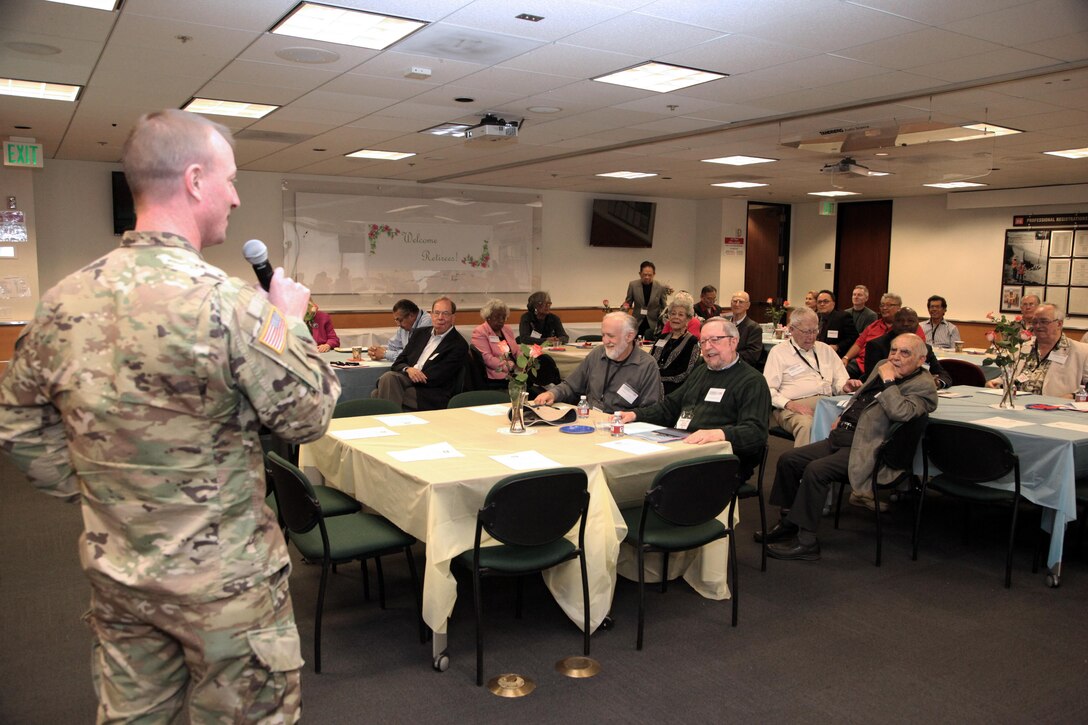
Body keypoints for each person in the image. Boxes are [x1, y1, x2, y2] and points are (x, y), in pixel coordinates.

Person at [0, 109, 340, 722]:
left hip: (122, 575)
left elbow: (18, 423)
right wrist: (286, 321)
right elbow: (309, 415)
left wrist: (106, 494)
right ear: (194, 181)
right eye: (231, 180)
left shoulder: (61, 300)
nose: (236, 197)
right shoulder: (233, 306)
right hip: (228, 589)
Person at [760, 334, 938, 561]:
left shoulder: (924, 386)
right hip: (844, 436)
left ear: (921, 359)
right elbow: (862, 395)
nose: (895, 357)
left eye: (905, 353)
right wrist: (844, 414)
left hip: (869, 448)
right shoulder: (884, 366)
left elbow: (901, 412)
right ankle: (789, 522)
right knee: (789, 460)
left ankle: (807, 542)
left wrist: (889, 382)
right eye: (893, 350)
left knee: (816, 470)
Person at [620, 317, 770, 478]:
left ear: (733, 342)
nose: (707, 347)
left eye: (714, 340)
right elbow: (670, 407)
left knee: (652, 476)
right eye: (703, 342)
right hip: (683, 446)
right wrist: (635, 414)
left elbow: (755, 432)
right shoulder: (701, 371)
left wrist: (718, 434)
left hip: (721, 460)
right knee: (630, 463)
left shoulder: (752, 381)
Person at [764, 308, 858, 446]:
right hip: (791, 406)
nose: (812, 336)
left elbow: (840, 382)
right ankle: (803, 465)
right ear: (792, 329)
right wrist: (790, 404)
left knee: (852, 421)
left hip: (827, 403)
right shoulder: (779, 352)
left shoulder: (825, 350)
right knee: (807, 425)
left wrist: (845, 387)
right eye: (806, 331)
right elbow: (768, 390)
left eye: (815, 331)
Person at [534, 311, 662, 412]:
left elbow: (651, 411)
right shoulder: (597, 353)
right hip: (590, 421)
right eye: (603, 335)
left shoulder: (646, 366)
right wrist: (552, 393)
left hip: (622, 429)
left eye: (611, 336)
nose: (605, 341)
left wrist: (630, 417)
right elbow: (571, 386)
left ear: (629, 336)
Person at [373, 296, 468, 411]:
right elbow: (399, 362)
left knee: (380, 392)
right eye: (436, 313)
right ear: (431, 315)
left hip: (431, 392)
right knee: (389, 379)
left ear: (453, 317)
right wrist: (408, 370)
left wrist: (413, 374)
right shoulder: (420, 333)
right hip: (409, 379)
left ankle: (388, 422)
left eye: (445, 313)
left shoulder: (458, 344)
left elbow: (437, 377)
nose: (440, 318)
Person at [989, 303, 1088, 398]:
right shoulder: (1021, 349)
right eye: (1034, 322)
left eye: (1044, 321)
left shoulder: (1081, 351)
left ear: (1059, 324)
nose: (1038, 326)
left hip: (1055, 408)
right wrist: (994, 383)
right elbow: (1006, 377)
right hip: (1018, 405)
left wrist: (1073, 396)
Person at [866, 308, 953, 390]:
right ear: (893, 323)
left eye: (910, 321)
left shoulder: (925, 348)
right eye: (900, 321)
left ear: (917, 325)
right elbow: (874, 380)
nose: (905, 324)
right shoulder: (876, 345)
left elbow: (944, 375)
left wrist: (937, 383)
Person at [841, 293, 923, 377]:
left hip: (888, 366)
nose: (884, 308)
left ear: (899, 308)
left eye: (889, 305)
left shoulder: (909, 327)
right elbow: (859, 344)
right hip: (860, 363)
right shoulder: (873, 326)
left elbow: (920, 349)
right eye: (882, 305)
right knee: (840, 374)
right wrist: (846, 358)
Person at [651, 295, 702, 394]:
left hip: (674, 388)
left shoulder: (692, 341)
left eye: (681, 314)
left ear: (688, 319)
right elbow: (650, 359)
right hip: (652, 382)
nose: (676, 317)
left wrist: (657, 377)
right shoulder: (662, 337)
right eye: (673, 314)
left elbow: (684, 373)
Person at [472, 298, 520, 390]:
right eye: (497, 317)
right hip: (497, 377)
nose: (501, 320)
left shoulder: (507, 329)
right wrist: (508, 366)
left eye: (503, 317)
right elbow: (487, 359)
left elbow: (516, 349)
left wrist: (522, 361)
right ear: (488, 317)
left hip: (516, 372)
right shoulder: (480, 332)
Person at [624, 261, 669, 338]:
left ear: (654, 274)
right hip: (637, 322)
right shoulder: (633, 285)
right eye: (645, 274)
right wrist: (622, 312)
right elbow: (628, 302)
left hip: (653, 323)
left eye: (650, 275)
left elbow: (664, 306)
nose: (647, 277)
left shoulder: (661, 287)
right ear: (640, 273)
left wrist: (663, 321)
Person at [815, 289, 858, 357]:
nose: (822, 304)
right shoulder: (815, 317)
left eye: (826, 301)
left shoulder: (843, 317)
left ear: (833, 303)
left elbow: (853, 338)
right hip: (816, 352)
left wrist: (837, 346)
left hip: (834, 355)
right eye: (819, 302)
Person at [728, 290, 763, 367]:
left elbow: (752, 356)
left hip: (740, 368)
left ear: (748, 305)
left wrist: (727, 357)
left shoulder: (754, 328)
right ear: (731, 303)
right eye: (735, 301)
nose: (737, 304)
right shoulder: (724, 324)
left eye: (741, 302)